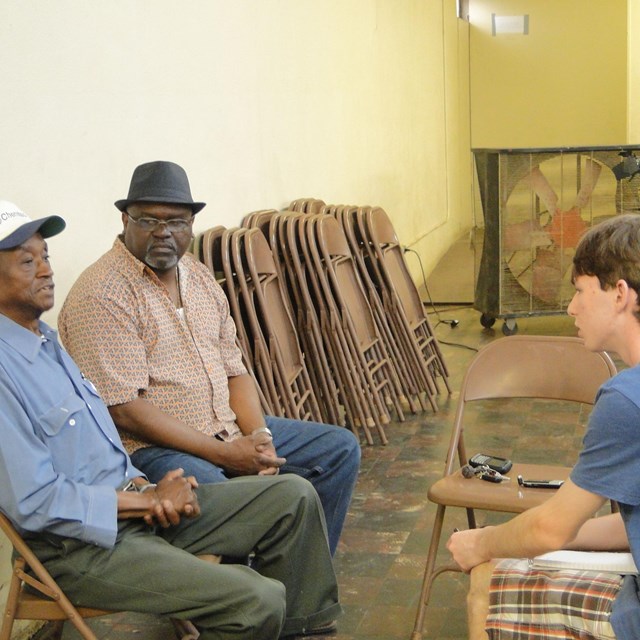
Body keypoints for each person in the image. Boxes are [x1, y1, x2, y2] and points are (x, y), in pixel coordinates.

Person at [0, 200, 342, 639]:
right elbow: (34, 503)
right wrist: (144, 500)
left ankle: (302, 630)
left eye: (45, 256)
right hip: (79, 550)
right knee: (256, 599)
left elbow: (101, 453)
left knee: (293, 496)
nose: (47, 270)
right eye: (27, 261)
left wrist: (147, 489)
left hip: (135, 512)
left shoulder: (44, 342)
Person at [58, 160, 360, 556]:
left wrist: (259, 439)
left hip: (225, 427)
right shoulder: (102, 293)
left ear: (192, 223)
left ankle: (297, 592)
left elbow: (236, 372)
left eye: (177, 221)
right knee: (229, 490)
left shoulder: (197, 277)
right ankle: (243, 603)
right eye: (149, 220)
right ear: (124, 219)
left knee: (338, 449)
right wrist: (225, 454)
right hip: (148, 450)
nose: (164, 232)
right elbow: (125, 411)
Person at [447, 213, 640, 640]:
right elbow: (621, 526)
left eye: (580, 291)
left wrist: (484, 541)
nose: (571, 307)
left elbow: (550, 527)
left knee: (487, 577)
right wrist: (565, 538)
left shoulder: (626, 399)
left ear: (621, 294)